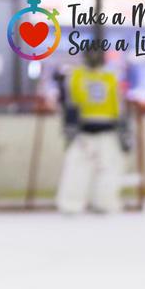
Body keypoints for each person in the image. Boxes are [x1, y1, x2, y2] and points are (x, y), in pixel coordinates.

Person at [56, 49, 127, 214]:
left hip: (98, 129)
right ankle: (78, 204)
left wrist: (69, 127)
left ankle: (97, 203)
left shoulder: (78, 76)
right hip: (89, 130)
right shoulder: (107, 76)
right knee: (86, 167)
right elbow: (118, 105)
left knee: (101, 168)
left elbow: (70, 104)